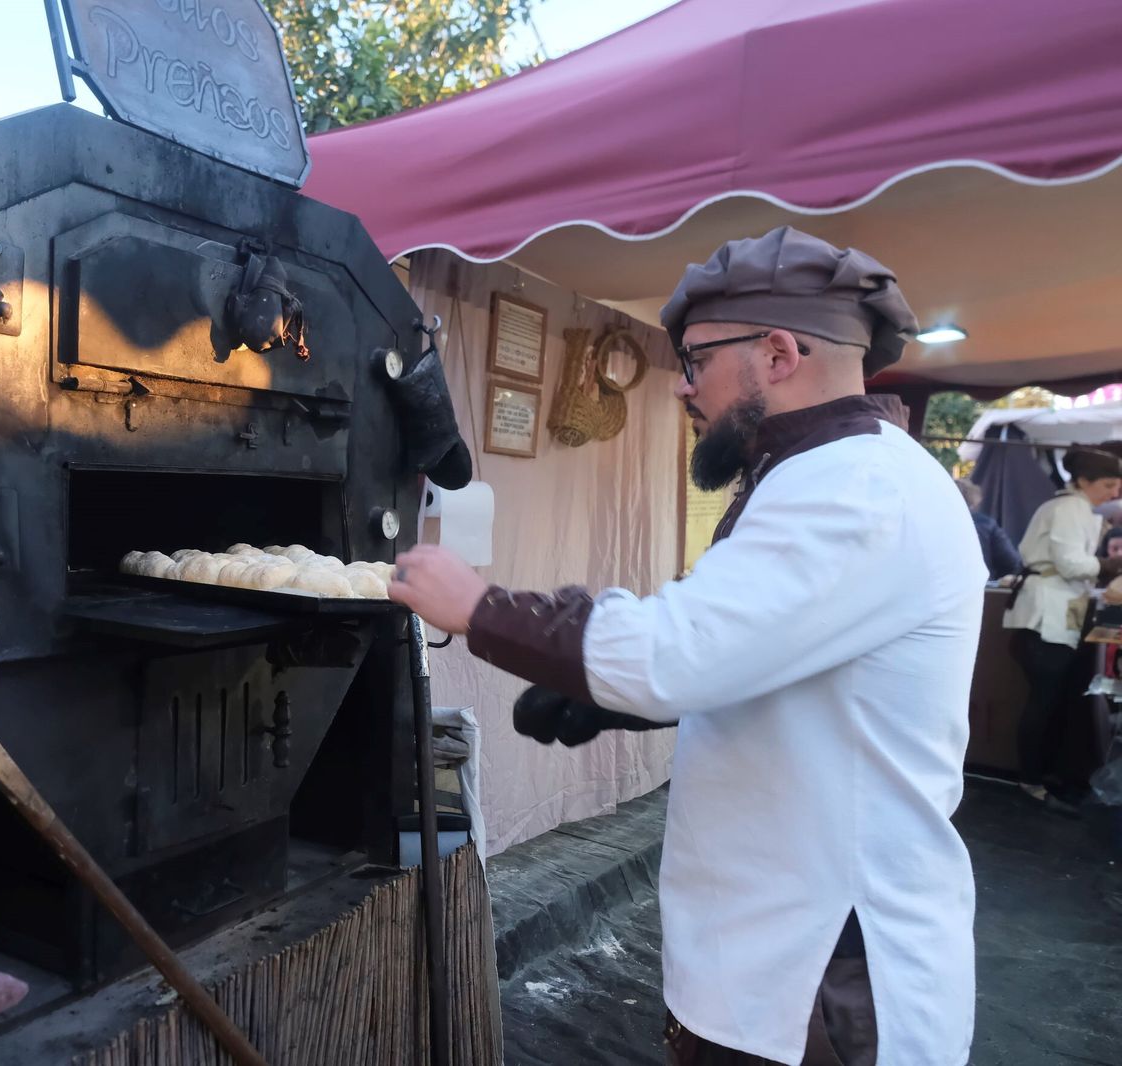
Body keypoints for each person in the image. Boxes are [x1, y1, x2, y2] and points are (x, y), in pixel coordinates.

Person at [390, 226, 984, 1065]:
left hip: (816, 975)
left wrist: (479, 606)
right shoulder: (828, 473)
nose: (683, 386)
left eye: (697, 358)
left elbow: (682, 651)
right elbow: (759, 656)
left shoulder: (857, 487)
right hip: (773, 952)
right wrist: (612, 700)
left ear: (777, 352)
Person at [1002, 447, 1122, 810]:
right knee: (1044, 702)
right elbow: (1071, 564)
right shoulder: (1069, 508)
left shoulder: (1075, 508)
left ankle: (1046, 776)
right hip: (1045, 617)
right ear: (1084, 481)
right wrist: (1110, 563)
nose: (1115, 492)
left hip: (1053, 615)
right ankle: (1032, 781)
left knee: (1051, 702)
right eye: (1109, 484)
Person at [955, 477, 1022, 579]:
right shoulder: (986, 524)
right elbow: (1013, 563)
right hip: (981, 589)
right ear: (973, 500)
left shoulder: (933, 526)